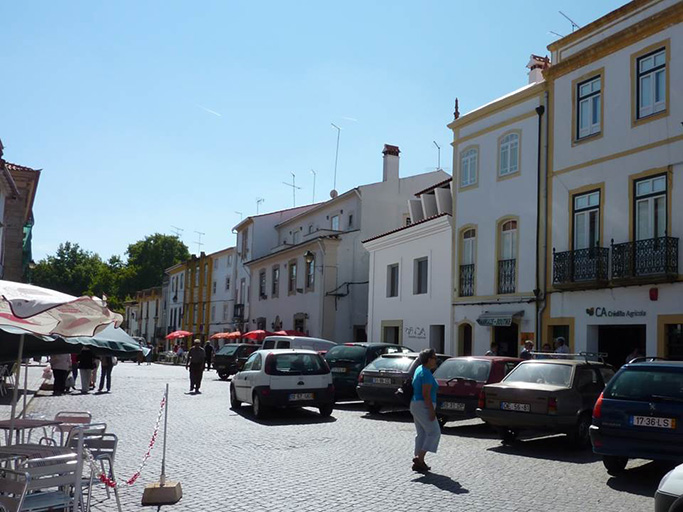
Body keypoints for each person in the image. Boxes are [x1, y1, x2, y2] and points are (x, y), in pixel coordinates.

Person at [410, 348, 441, 473]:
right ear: (428, 359)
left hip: (415, 404)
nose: (436, 360)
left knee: (422, 433)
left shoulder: (419, 369)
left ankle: (420, 463)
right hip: (423, 405)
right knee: (434, 432)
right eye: (434, 357)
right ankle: (419, 457)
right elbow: (426, 394)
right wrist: (431, 411)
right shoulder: (426, 373)